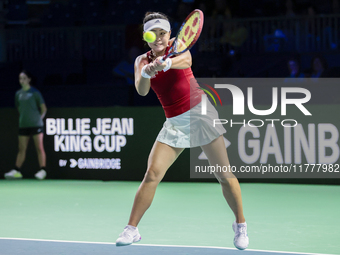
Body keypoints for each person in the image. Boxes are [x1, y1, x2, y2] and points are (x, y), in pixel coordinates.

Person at [115, 12, 249, 250]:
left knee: (224, 176)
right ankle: (131, 229)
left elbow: (186, 61)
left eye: (162, 33)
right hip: (174, 122)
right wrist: (147, 73)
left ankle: (240, 225)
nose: (158, 38)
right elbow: (142, 90)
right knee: (152, 174)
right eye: (151, 34)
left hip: (201, 114)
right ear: (145, 37)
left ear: (170, 35)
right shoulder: (141, 61)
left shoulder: (178, 50)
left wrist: (166, 63)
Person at [4, 71, 48, 180]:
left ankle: (43, 170)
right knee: (21, 149)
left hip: (36, 125)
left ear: (29, 80)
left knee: (39, 148)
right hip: (23, 125)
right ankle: (17, 171)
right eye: (20, 78)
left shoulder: (35, 93)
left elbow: (44, 109)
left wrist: (38, 119)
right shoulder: (18, 94)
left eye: (24, 78)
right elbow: (19, 108)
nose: (21, 80)